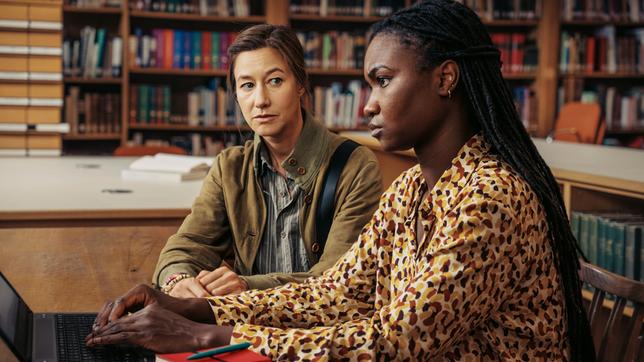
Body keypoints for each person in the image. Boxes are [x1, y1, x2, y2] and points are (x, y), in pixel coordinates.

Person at [86, 1, 595, 360]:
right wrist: (192, 304)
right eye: (368, 83)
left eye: (383, 80)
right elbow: (336, 293)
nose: (367, 104)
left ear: (444, 79)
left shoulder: (492, 196)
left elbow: (395, 343)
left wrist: (203, 336)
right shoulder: (413, 188)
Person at [153, 24, 383, 298]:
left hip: (322, 331)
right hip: (243, 329)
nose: (260, 100)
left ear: (300, 84)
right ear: (237, 96)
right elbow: (186, 246)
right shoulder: (230, 168)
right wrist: (178, 281)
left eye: (275, 81)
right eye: (247, 85)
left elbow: (337, 280)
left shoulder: (355, 166)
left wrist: (246, 286)